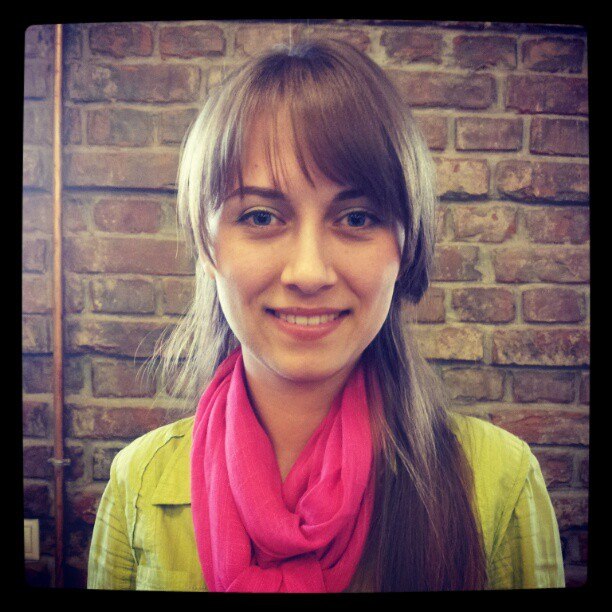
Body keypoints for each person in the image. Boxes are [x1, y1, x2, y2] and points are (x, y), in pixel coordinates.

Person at [87, 38, 565, 592]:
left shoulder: (500, 482)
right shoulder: (138, 483)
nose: (309, 273)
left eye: (357, 218)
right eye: (261, 216)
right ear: (207, 246)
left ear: (407, 246)